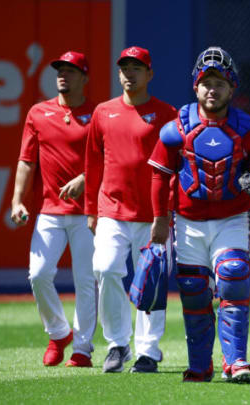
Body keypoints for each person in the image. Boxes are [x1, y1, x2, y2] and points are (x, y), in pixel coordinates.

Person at [149, 46, 250, 383]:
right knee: (194, 289)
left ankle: (236, 362)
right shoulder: (177, 126)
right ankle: (200, 366)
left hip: (231, 219)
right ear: (195, 86)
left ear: (232, 88)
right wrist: (160, 219)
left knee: (233, 277)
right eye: (206, 82)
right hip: (188, 220)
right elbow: (158, 174)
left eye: (220, 83)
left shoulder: (245, 126)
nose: (213, 89)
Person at [84, 46, 177, 373]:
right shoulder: (103, 112)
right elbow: (93, 162)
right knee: (105, 268)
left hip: (154, 215)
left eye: (136, 68)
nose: (129, 73)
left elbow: (177, 165)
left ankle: (148, 351)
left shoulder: (167, 113)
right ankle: (118, 343)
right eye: (124, 67)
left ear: (149, 74)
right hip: (112, 209)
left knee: (152, 282)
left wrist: (167, 213)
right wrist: (90, 209)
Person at [10, 51, 97, 368]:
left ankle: (82, 349)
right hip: (50, 210)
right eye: (60, 69)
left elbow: (107, 160)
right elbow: (26, 161)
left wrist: (86, 179)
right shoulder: (38, 113)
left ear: (85, 78)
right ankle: (59, 332)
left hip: (88, 212)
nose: (64, 75)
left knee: (86, 280)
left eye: (72, 70)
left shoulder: (97, 114)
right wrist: (17, 200)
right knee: (39, 274)